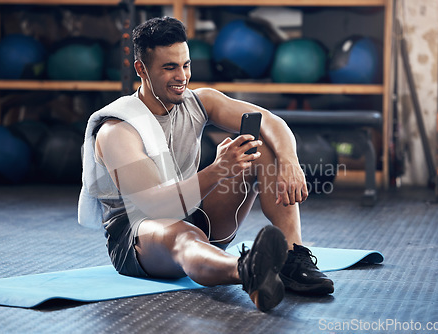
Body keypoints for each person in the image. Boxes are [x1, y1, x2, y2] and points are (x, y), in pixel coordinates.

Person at [81, 16, 333, 312]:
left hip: (193, 210)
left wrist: (289, 160)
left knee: (259, 146)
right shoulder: (117, 131)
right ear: (141, 69)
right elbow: (155, 209)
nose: (182, 76)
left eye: (186, 65)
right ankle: (248, 271)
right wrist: (218, 170)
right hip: (139, 237)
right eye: (169, 67)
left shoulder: (199, 101)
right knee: (182, 234)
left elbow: (270, 121)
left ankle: (292, 258)